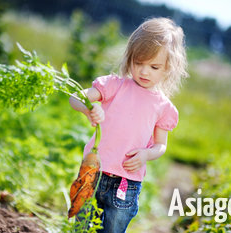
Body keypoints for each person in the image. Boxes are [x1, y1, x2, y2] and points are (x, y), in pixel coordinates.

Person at [69, 17, 188, 232]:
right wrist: (88, 107)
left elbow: (161, 145)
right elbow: (75, 97)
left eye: (153, 66)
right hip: (94, 171)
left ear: (168, 68)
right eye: (138, 63)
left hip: (126, 182)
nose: (144, 72)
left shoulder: (164, 107)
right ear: (129, 58)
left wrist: (146, 154)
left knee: (114, 228)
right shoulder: (115, 85)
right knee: (82, 227)